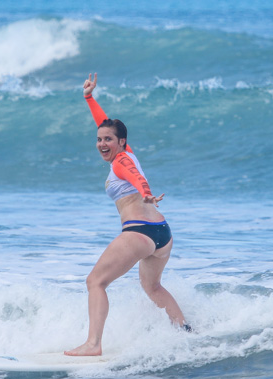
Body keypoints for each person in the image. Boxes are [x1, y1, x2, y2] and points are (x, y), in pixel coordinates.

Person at [65, 73, 190, 357]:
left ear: (121, 142)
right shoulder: (127, 151)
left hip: (140, 231)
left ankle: (93, 345)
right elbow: (104, 124)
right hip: (162, 233)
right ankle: (184, 333)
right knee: (153, 286)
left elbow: (134, 177)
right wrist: (88, 98)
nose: (102, 143)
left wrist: (146, 192)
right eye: (99, 139)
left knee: (95, 282)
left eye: (108, 139)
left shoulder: (122, 161)